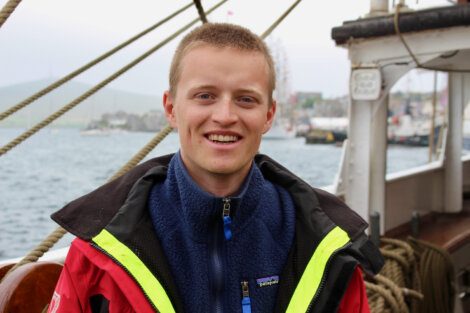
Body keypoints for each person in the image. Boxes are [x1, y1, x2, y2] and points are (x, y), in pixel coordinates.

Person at [48, 23, 383, 313]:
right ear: (171, 108)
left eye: (246, 99)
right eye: (205, 96)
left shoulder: (326, 248)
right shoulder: (99, 249)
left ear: (269, 114)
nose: (225, 115)